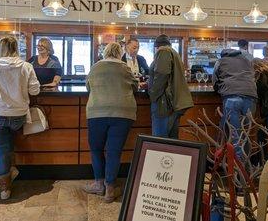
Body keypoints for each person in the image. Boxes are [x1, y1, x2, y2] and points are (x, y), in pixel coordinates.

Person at [0, 36, 41, 200]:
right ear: (17, 48)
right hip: (18, 116)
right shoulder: (26, 66)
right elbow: (35, 90)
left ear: (0, 48)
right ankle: (11, 170)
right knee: (7, 146)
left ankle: (4, 188)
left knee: (2, 149)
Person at [83, 42, 138, 202]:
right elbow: (135, 86)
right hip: (122, 113)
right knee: (114, 151)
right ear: (120, 53)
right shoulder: (125, 68)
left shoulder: (95, 67)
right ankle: (110, 189)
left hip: (97, 112)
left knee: (96, 149)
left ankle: (98, 184)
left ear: (105, 52)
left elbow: (88, 87)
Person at [212, 48, 257, 162]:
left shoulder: (221, 61)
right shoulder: (247, 61)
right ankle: (246, 169)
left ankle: (237, 172)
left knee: (235, 135)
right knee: (246, 134)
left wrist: (220, 89)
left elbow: (215, 81)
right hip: (250, 97)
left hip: (232, 97)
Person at [148, 34, 193, 138]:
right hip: (173, 102)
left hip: (164, 103)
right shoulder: (174, 53)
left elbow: (162, 74)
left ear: (156, 46)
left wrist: (153, 94)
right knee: (171, 141)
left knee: (160, 141)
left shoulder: (163, 51)